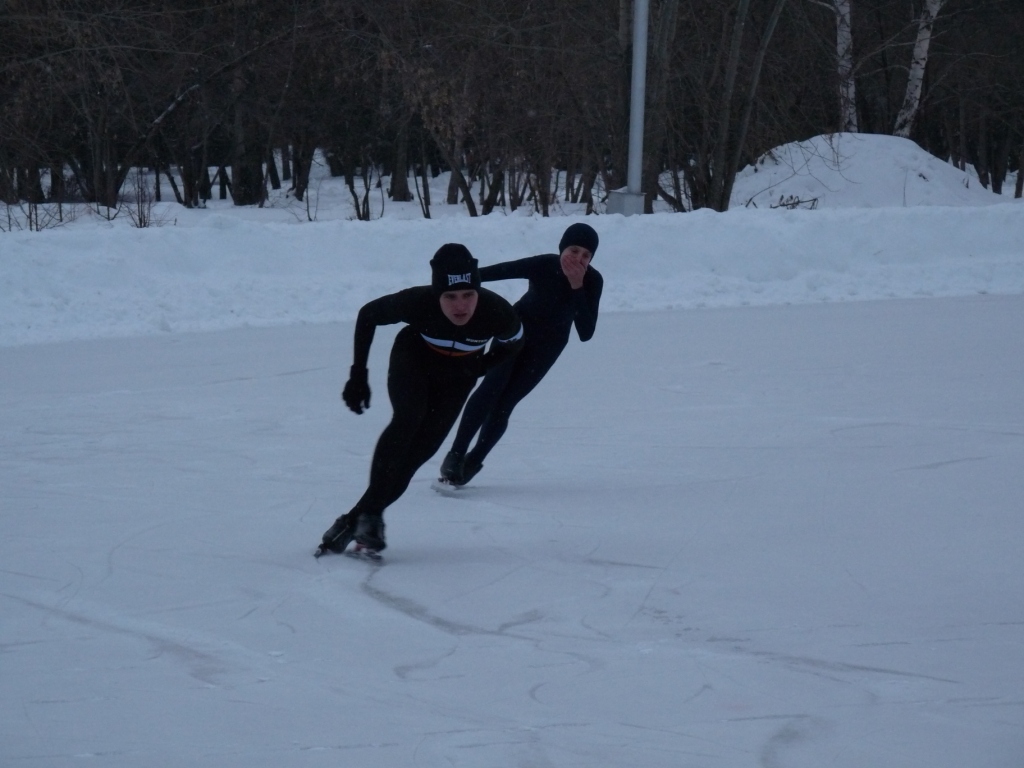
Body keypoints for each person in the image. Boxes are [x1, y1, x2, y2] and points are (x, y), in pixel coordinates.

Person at [315, 244, 524, 559]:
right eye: (450, 296)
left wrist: (481, 366)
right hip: (414, 359)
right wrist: (358, 375)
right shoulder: (417, 302)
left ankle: (356, 520)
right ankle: (369, 517)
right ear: (437, 294)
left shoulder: (497, 312)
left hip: (459, 376)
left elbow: (515, 343)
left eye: (468, 295)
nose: (460, 305)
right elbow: (368, 314)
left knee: (418, 453)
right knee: (407, 419)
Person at [438, 222, 603, 487]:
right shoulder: (544, 264)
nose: (578, 259)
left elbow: (586, 332)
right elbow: (496, 272)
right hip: (514, 330)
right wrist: (453, 280)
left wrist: (577, 287)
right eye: (574, 250)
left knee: (505, 404)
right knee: (491, 387)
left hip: (548, 347)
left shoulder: (592, 281)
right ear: (562, 248)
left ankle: (473, 462)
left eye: (586, 255)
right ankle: (456, 454)